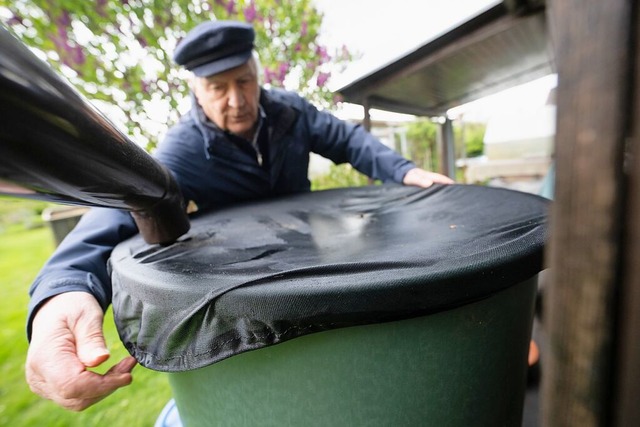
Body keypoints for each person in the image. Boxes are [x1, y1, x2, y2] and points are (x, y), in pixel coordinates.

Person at [25, 20, 454, 411]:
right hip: (239, 287)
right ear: (197, 91)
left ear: (258, 74)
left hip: (312, 263)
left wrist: (405, 171)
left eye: (245, 82)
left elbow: (346, 140)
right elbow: (124, 208)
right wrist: (63, 290)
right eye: (218, 87)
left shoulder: (290, 111)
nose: (237, 100)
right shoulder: (184, 150)